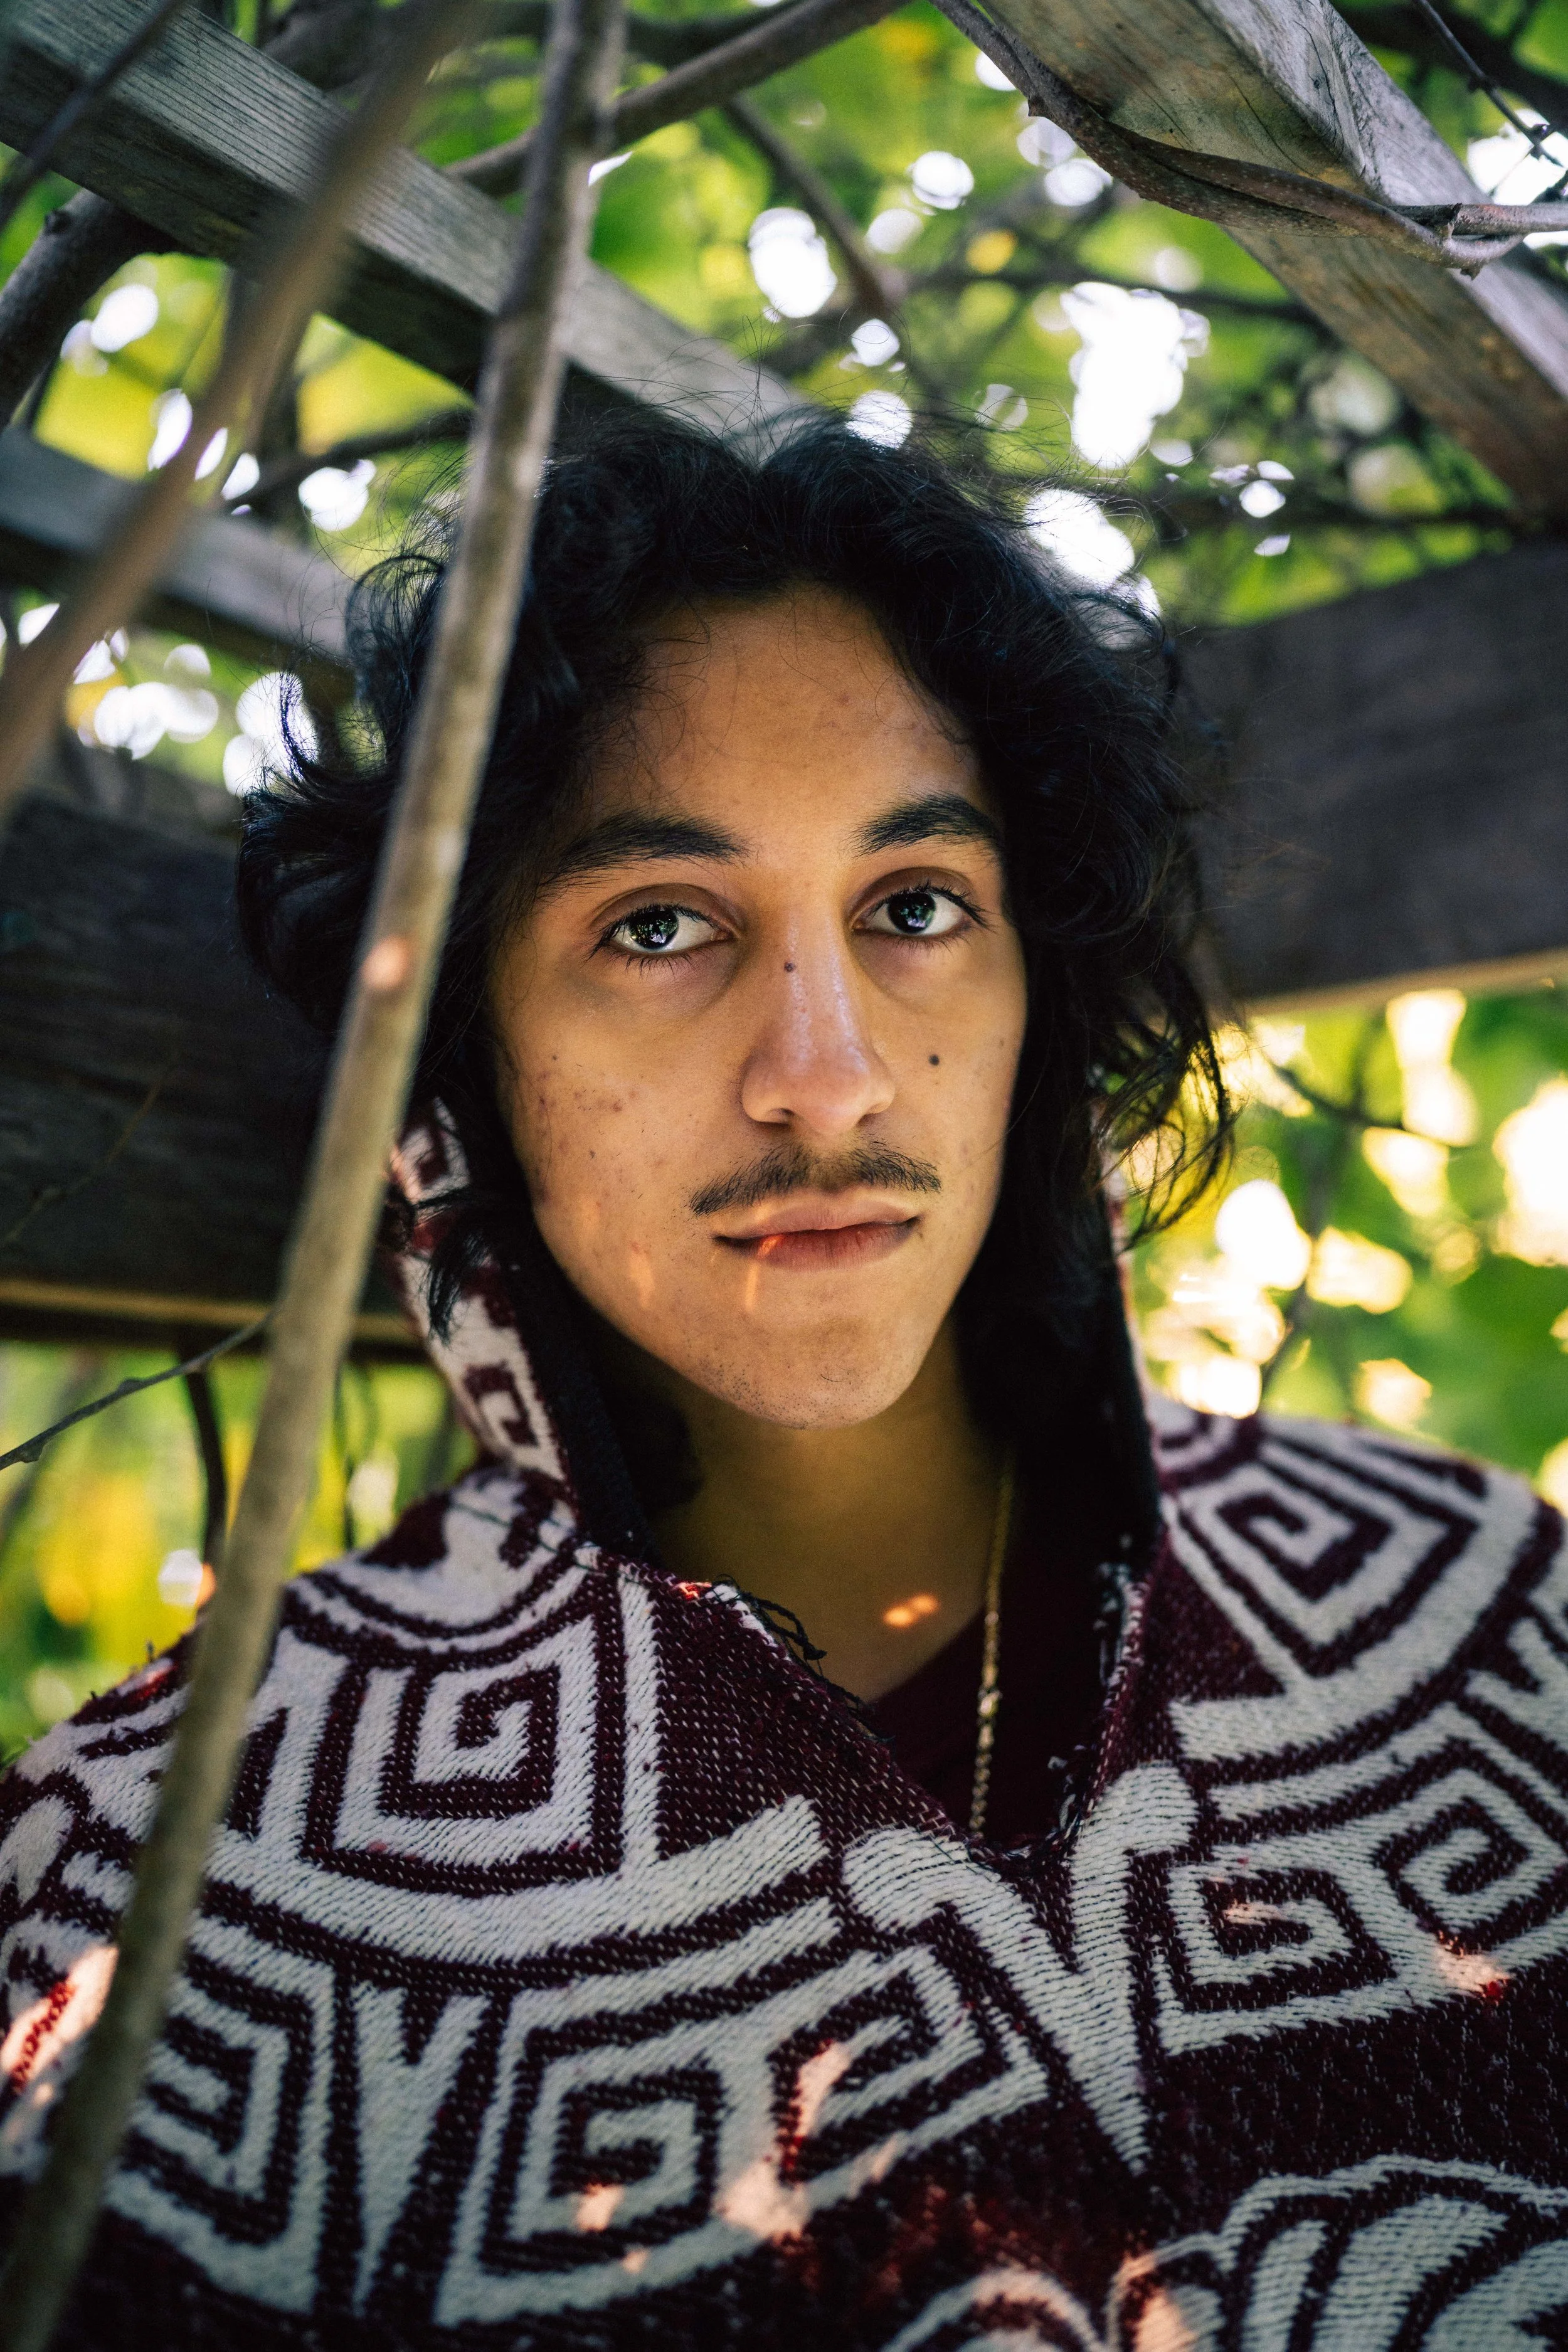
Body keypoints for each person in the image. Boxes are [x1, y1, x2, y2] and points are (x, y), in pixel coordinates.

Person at [2, 411, 1565, 2349]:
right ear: (463, 1050)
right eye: (658, 925)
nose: (821, 1072)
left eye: (915, 905)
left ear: (1033, 996)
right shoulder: (156, 1882)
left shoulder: (1496, 1627)